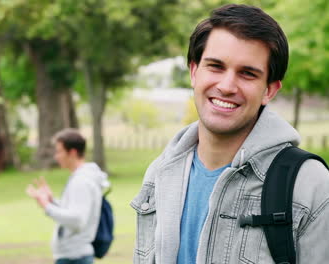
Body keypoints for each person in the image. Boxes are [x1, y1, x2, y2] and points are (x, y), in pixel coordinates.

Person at [131, 4, 329, 264]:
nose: (226, 86)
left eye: (247, 73)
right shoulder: (160, 173)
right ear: (193, 71)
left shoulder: (312, 185)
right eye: (215, 66)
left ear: (269, 90)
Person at [26, 128, 110, 264]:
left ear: (72, 152)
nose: (56, 156)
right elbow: (75, 210)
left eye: (59, 151)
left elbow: (78, 220)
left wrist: (46, 206)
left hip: (75, 258)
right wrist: (51, 201)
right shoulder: (80, 178)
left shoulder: (81, 181)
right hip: (73, 257)